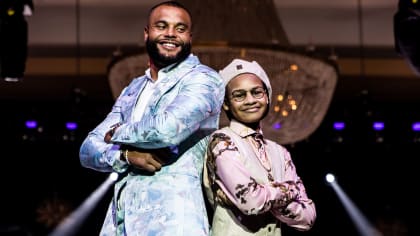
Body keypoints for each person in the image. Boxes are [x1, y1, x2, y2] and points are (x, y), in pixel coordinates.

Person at [79, 1, 225, 235]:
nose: (170, 34)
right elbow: (87, 151)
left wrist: (116, 132)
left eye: (180, 28)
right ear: (147, 33)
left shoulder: (204, 80)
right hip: (121, 223)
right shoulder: (134, 88)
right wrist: (125, 155)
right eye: (162, 26)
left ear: (189, 37)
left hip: (174, 222)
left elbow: (166, 130)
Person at [203, 58, 316, 235]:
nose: (250, 100)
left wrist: (264, 195)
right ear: (226, 103)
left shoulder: (280, 152)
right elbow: (251, 203)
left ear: (267, 96)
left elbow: (308, 218)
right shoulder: (222, 141)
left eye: (256, 92)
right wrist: (289, 189)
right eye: (239, 95)